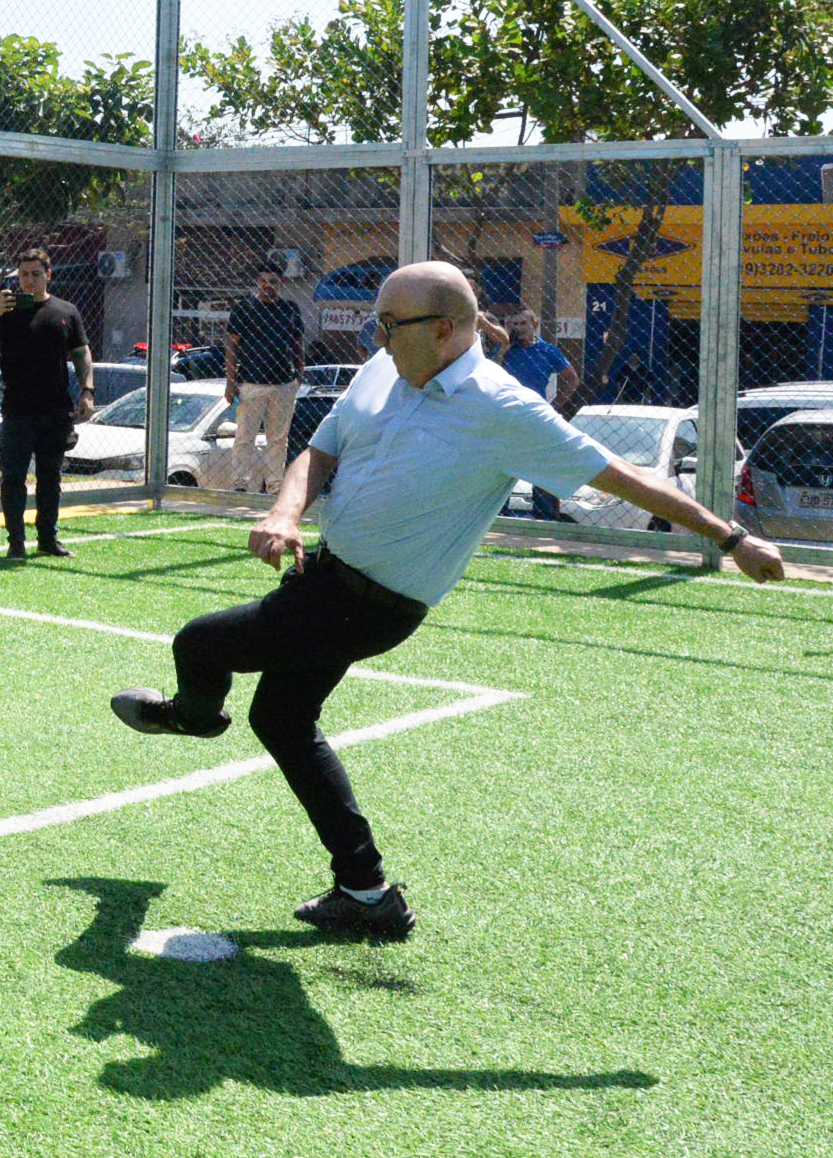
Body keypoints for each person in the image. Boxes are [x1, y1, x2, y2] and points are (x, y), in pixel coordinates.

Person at [108, 261, 787, 941]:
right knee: (283, 720)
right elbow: (320, 453)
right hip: (326, 578)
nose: (375, 339)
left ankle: (194, 719)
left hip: (373, 606)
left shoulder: (503, 408)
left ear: (442, 330)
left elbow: (625, 475)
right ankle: (367, 893)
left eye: (387, 325)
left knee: (200, 642)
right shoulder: (386, 370)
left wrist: (731, 537)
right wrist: (285, 513)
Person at [0, 246, 96, 560]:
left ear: (48, 276)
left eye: (35, 274)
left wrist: (87, 390)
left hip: (56, 410)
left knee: (50, 478)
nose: (28, 280)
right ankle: (16, 542)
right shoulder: (6, 311)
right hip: (17, 409)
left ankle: (48, 539)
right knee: (13, 477)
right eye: (24, 275)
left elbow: (81, 352)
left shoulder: (66, 311)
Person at [220, 264, 306, 493]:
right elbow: (231, 346)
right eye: (264, 281)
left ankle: (275, 486)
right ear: (258, 282)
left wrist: (299, 373)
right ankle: (240, 484)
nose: (268, 286)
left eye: (273, 282)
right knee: (244, 438)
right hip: (251, 383)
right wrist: (230, 381)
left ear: (281, 283)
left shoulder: (290, 309)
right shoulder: (244, 309)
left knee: (278, 439)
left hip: (283, 383)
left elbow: (298, 343)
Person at [494, 307, 581, 515]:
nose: (518, 328)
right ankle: (500, 514)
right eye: (514, 324)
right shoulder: (506, 350)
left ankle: (543, 517)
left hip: (535, 417)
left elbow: (572, 378)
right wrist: (502, 351)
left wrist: (555, 405)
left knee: (539, 467)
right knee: (503, 466)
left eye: (523, 323)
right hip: (507, 417)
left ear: (534, 325)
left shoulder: (548, 350)